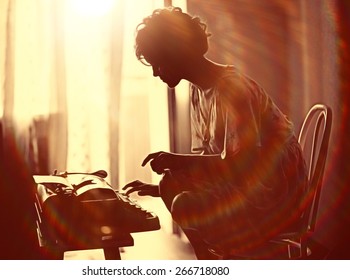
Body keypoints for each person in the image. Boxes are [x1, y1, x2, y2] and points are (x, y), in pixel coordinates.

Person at [123, 7, 307, 259]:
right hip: (248, 184)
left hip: (277, 195)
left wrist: (178, 160)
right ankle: (215, 260)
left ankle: (227, 259)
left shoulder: (231, 90)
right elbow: (213, 160)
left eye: (159, 63)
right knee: (169, 183)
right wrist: (161, 186)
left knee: (184, 204)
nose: (156, 73)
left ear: (177, 53)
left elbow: (243, 165)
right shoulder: (199, 91)